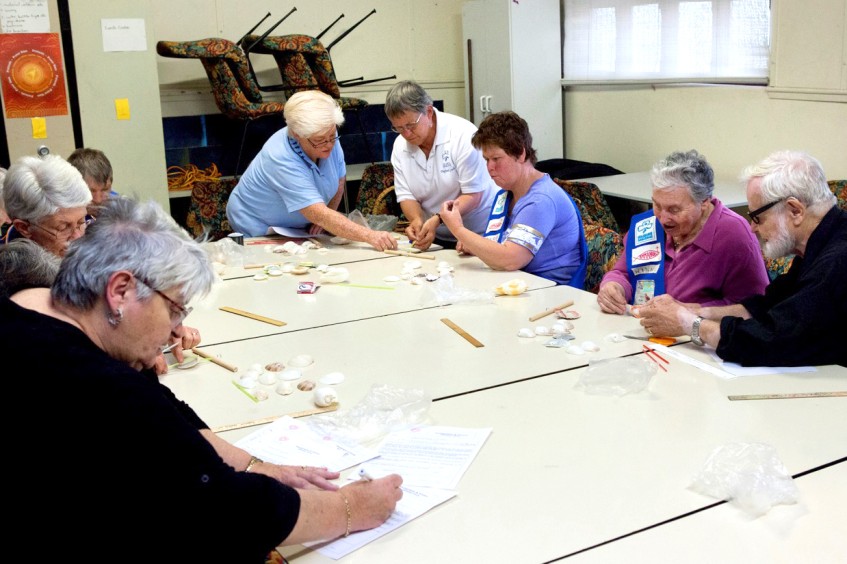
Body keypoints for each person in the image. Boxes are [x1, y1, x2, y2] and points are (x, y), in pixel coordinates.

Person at [0, 197, 403, 561]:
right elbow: (222, 509)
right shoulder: (95, 387)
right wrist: (350, 507)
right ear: (120, 290)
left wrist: (256, 465)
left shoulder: (32, 301)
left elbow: (168, 420)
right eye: (175, 310)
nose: (177, 332)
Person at [636, 150, 846, 367]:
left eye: (758, 217)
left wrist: (689, 323)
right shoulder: (822, 242)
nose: (753, 227)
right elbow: (766, 307)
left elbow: (773, 339)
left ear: (795, 210)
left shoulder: (837, 262)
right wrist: (693, 311)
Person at [597, 150, 769, 314]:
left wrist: (688, 314)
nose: (663, 218)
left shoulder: (734, 234)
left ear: (704, 202)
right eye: (657, 205)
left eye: (674, 209)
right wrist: (613, 286)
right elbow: (623, 272)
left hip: (697, 339)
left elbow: (753, 308)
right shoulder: (647, 225)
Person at [226, 90, 397, 251]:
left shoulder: (327, 133)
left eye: (332, 136)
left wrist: (326, 217)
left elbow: (339, 179)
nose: (329, 144)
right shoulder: (279, 157)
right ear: (297, 134)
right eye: (320, 140)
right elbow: (318, 214)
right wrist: (370, 236)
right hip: (257, 222)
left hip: (298, 226)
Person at [438, 111, 587, 286]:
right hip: (522, 284)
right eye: (486, 160)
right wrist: (479, 247)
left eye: (496, 159)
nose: (490, 167)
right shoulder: (507, 193)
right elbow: (504, 247)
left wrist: (458, 230)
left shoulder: (540, 200)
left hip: (552, 294)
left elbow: (510, 260)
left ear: (521, 154)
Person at [385, 80, 497, 250]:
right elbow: (406, 195)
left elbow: (473, 195)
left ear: (428, 112)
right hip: (437, 235)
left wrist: (438, 219)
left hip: (478, 232)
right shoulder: (400, 146)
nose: (406, 134)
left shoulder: (462, 135)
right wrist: (417, 220)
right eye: (399, 128)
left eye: (410, 125)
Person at [2, 154, 92, 256]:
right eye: (63, 227)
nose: (78, 237)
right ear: (24, 228)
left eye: (81, 222)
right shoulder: (6, 269)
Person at [67, 147, 118, 218]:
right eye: (90, 191)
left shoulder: (120, 208)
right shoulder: (62, 212)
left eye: (105, 189)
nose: (98, 200)